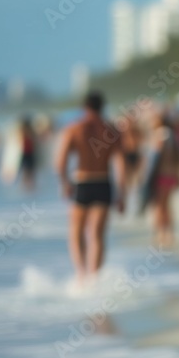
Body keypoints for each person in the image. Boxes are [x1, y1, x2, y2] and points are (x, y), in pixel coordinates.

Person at [55, 91, 126, 285]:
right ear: (102, 107)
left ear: (84, 108)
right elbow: (121, 164)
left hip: (82, 183)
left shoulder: (74, 129)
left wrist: (65, 183)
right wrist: (122, 194)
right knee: (97, 234)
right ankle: (95, 276)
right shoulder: (111, 130)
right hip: (104, 183)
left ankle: (81, 274)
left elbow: (60, 162)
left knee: (76, 231)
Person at [151, 114, 179, 248]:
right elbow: (178, 156)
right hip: (171, 174)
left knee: (159, 206)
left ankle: (160, 234)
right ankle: (170, 234)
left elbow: (156, 157)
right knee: (168, 205)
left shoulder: (161, 134)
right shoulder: (173, 135)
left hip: (160, 175)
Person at [19, 116, 39, 191]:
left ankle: (30, 184)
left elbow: (35, 142)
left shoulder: (29, 132)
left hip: (29, 153)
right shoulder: (22, 132)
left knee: (29, 169)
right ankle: (26, 185)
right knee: (27, 170)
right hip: (26, 153)